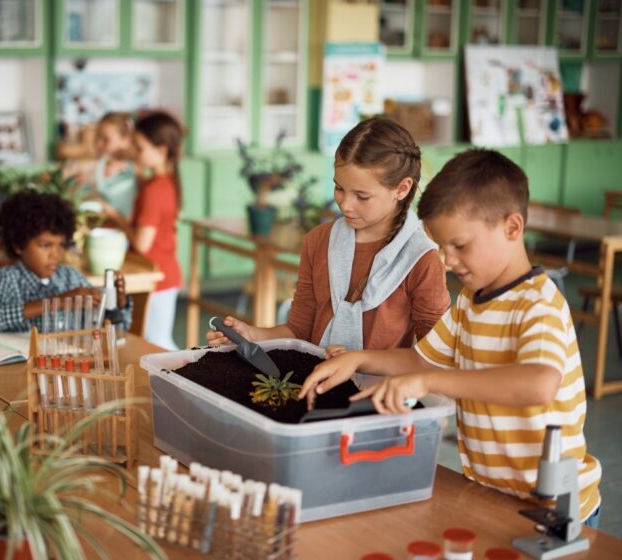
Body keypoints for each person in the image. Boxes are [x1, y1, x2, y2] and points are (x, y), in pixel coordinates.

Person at [299, 149, 602, 526]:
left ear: (512, 228)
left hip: (557, 506)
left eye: (459, 246)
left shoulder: (537, 305)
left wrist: (428, 381)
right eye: (441, 247)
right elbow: (424, 359)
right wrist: (360, 359)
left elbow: (537, 384)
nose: (447, 259)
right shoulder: (470, 302)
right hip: (496, 494)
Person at [208, 118, 450, 355]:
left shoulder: (421, 258)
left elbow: (434, 355)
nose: (345, 205)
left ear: (402, 188)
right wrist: (252, 335)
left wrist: (358, 362)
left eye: (362, 197)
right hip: (314, 382)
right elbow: (299, 330)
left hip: (379, 393)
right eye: (339, 188)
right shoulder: (318, 241)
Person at [0, 190, 130, 336]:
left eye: (61, 245)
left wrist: (115, 304)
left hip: (68, 363)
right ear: (19, 245)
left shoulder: (71, 277)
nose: (56, 254)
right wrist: (57, 302)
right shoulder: (7, 278)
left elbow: (116, 330)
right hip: (21, 365)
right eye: (45, 245)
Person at [112, 111, 183, 350]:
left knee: (157, 343)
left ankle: (189, 383)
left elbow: (142, 243)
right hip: (160, 273)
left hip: (156, 276)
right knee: (153, 342)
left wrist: (114, 216)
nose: (134, 152)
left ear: (161, 150)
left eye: (139, 148)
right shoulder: (165, 181)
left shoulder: (156, 189)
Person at [93, 111, 137, 220]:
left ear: (125, 140)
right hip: (109, 222)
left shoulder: (134, 163)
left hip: (129, 222)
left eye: (106, 139)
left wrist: (126, 166)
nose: (99, 143)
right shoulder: (102, 163)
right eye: (97, 137)